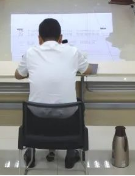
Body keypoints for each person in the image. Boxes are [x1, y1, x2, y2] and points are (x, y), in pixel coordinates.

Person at [15, 18, 94, 169]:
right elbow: (88, 70)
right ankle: (71, 152)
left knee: (33, 101)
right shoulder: (72, 51)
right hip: (67, 114)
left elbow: (18, 75)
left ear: (39, 39)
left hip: (37, 114)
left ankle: (31, 152)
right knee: (78, 102)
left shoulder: (30, 53)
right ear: (60, 38)